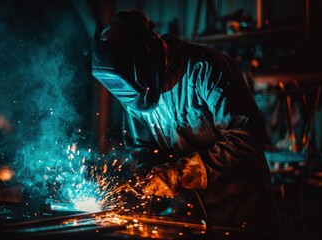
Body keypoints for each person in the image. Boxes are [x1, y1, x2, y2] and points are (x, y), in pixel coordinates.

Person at [91, 10, 281, 232]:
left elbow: (246, 139)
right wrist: (145, 177)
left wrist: (177, 174)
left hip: (243, 214)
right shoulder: (134, 93)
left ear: (149, 53)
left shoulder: (206, 69)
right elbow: (142, 150)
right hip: (188, 217)